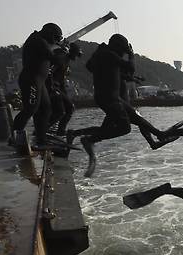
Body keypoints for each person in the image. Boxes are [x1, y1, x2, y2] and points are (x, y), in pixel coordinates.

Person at [66, 34, 175, 176]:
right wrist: (131, 54)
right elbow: (130, 67)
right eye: (123, 51)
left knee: (134, 116)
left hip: (111, 97)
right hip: (109, 98)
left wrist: (131, 77)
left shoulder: (102, 55)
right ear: (118, 47)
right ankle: (88, 139)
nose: (123, 54)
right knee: (124, 128)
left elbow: (102, 69)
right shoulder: (109, 54)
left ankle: (159, 134)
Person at [12, 23, 63, 149]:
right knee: (30, 109)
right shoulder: (37, 41)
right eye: (56, 38)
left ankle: (41, 139)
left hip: (38, 81)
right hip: (31, 80)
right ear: (50, 33)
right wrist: (63, 51)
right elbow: (53, 58)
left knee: (45, 109)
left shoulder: (39, 39)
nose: (56, 41)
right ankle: (13, 138)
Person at [48, 42, 83, 137]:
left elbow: (61, 78)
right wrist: (52, 87)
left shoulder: (66, 60)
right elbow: (49, 72)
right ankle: (43, 130)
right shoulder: (61, 58)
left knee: (69, 109)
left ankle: (60, 131)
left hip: (59, 88)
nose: (76, 58)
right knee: (60, 112)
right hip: (53, 88)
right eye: (76, 54)